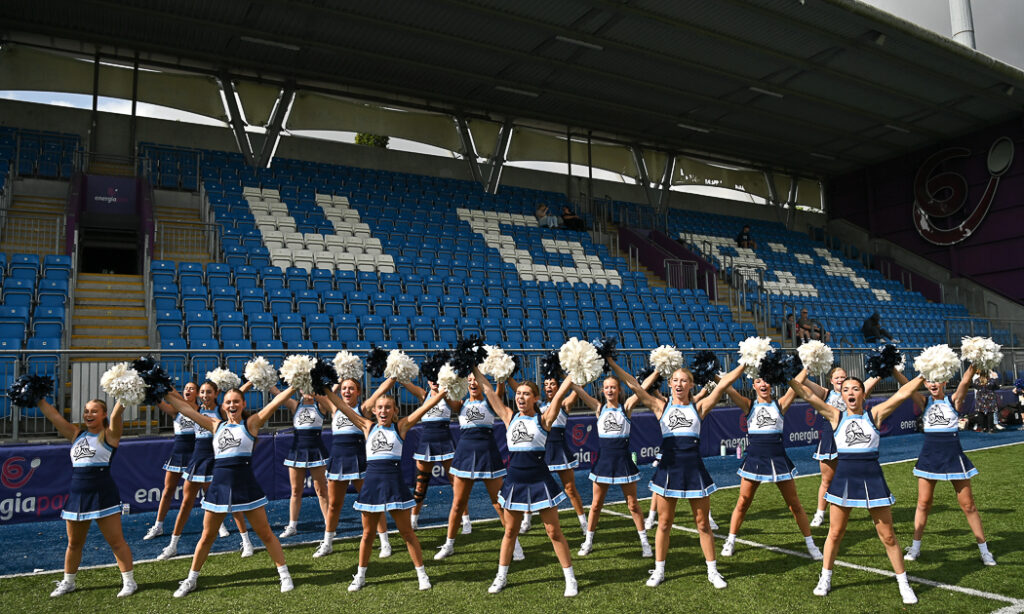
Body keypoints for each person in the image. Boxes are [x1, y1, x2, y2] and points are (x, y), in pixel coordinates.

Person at [607, 358, 746, 589]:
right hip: (668, 471)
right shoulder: (660, 407)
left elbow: (723, 385)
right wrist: (611, 362)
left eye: (684, 381)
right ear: (669, 384)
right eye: (675, 380)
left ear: (691, 385)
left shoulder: (699, 407)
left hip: (694, 470)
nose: (679, 384)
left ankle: (712, 571)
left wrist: (745, 363)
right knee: (664, 523)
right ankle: (659, 570)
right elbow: (634, 386)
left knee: (703, 524)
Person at [789, 372, 921, 604]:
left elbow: (903, 394)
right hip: (844, 480)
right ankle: (825, 577)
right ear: (841, 395)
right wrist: (787, 377)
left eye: (856, 389)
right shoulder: (835, 416)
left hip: (873, 479)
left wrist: (925, 375)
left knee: (888, 536)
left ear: (863, 394)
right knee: (835, 533)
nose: (850, 392)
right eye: (846, 389)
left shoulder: (875, 414)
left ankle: (903, 583)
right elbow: (807, 394)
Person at [165, 385, 296, 597]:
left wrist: (296, 384)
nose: (232, 405)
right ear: (223, 406)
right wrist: (162, 390)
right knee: (207, 536)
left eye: (236, 401)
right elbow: (185, 409)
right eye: (228, 402)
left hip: (246, 485)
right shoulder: (215, 425)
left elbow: (275, 403)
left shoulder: (251, 424)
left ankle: (285, 575)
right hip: (219, 486)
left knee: (265, 533)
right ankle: (191, 579)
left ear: (243, 404)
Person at [320, 386, 447, 592]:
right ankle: (360, 576)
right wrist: (326, 389)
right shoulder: (367, 426)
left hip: (394, 484)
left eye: (388, 407)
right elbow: (342, 407)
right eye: (379, 407)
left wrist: (441, 394)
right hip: (371, 484)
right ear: (374, 410)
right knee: (367, 534)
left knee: (407, 533)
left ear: (395, 411)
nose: (383, 411)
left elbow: (423, 409)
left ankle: (422, 574)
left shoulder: (401, 427)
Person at [472, 367, 579, 597]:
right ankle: (501, 576)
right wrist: (473, 367)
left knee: (554, 532)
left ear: (536, 398)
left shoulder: (544, 419)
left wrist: (575, 369)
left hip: (540, 480)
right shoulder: (508, 417)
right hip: (515, 481)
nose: (521, 397)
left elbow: (560, 394)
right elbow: (488, 390)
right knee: (510, 531)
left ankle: (570, 578)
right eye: (518, 393)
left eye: (526, 394)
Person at [718, 370, 822, 560]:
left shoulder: (780, 404)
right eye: (758, 381)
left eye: (766, 380)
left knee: (795, 505)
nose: (763, 384)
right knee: (743, 502)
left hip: (778, 460)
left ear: (771, 385)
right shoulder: (748, 405)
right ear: (754, 386)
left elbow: (795, 385)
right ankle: (730, 541)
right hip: (755, 460)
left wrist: (808, 365)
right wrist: (714, 376)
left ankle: (810, 543)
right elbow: (728, 389)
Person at [899, 367, 995, 565]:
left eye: (937, 380)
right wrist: (893, 368)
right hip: (930, 458)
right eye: (929, 381)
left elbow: (964, 382)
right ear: (924, 382)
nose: (933, 384)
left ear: (944, 382)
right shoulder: (924, 402)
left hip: (953, 457)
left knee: (968, 505)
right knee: (923, 503)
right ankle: (915, 548)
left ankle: (984, 551)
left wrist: (973, 363)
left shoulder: (953, 401)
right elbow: (906, 386)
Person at [41, 397, 136, 598]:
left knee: (116, 542)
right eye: (86, 411)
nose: (88, 415)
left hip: (102, 493)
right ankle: (68, 582)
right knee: (74, 544)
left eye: (94, 411)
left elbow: (116, 415)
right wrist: (38, 399)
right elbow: (54, 417)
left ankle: (129, 582)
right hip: (78, 494)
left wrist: (125, 394)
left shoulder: (109, 435)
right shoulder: (76, 434)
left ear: (103, 414)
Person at [158, 379, 253, 560]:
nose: (204, 395)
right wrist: (160, 387)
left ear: (217, 393)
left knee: (231, 503)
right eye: (202, 392)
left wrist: (251, 381)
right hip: (197, 460)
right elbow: (177, 399)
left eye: (209, 392)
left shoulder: (221, 411)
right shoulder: (195, 409)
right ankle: (173, 545)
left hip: (215, 460)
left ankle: (247, 542)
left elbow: (236, 395)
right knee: (186, 503)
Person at [434, 373, 516, 561]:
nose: (473, 383)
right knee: (458, 503)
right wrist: (444, 381)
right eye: (469, 380)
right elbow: (446, 397)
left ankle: (515, 544)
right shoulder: (460, 404)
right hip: (464, 455)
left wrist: (500, 373)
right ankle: (449, 544)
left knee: (499, 503)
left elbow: (499, 390)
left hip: (488, 454)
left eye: (476, 380)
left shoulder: (490, 402)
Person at [315, 376, 395, 558]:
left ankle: (385, 542)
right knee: (334, 505)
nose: (347, 391)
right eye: (344, 388)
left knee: (372, 503)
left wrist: (394, 376)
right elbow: (316, 392)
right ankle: (327, 543)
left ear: (358, 392)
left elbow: (380, 390)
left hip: (359, 460)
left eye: (351, 388)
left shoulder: (363, 409)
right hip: (338, 460)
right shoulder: (335, 408)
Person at [572, 375, 651, 558]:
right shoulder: (599, 408)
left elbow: (641, 388)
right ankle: (588, 541)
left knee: (633, 505)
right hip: (604, 462)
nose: (609, 390)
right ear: (602, 390)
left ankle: (645, 542)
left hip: (623, 461)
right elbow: (578, 390)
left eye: (613, 387)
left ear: (619, 390)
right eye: (606, 387)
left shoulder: (626, 407)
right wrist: (566, 374)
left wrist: (657, 369)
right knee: (596, 505)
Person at [801, 367, 882, 527]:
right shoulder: (825, 393)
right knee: (827, 480)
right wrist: (808, 366)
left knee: (862, 477)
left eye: (843, 377)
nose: (840, 380)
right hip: (830, 441)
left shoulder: (856, 392)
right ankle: (819, 514)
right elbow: (804, 382)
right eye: (836, 377)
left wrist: (885, 366)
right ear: (831, 380)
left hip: (851, 442)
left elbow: (875, 377)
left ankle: (876, 513)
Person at [507, 374, 586, 535]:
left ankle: (584, 522)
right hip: (540, 450)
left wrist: (572, 374)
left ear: (558, 386)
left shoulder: (563, 403)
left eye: (552, 384)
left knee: (570, 488)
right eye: (546, 384)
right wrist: (506, 374)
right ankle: (527, 520)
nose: (549, 386)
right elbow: (519, 390)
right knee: (530, 483)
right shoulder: (537, 406)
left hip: (559, 450)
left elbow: (578, 389)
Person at [400, 378, 462, 530]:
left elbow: (457, 408)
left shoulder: (448, 395)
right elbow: (406, 383)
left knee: (456, 483)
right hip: (426, 442)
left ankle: (465, 519)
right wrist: (395, 371)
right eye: (431, 378)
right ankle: (413, 519)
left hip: (445, 441)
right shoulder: (424, 395)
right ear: (427, 381)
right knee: (421, 483)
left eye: (437, 377)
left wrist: (445, 392)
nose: (434, 381)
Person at [143, 381, 199, 541]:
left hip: (196, 452)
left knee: (206, 490)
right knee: (168, 491)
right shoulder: (177, 409)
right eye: (186, 388)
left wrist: (165, 386)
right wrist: (152, 393)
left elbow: (176, 397)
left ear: (197, 393)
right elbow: (163, 404)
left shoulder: (199, 409)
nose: (188, 390)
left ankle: (219, 524)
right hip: (178, 452)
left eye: (192, 388)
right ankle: (158, 526)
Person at [274, 387, 330, 543]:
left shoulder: (321, 405)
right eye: (303, 387)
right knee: (295, 491)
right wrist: (260, 378)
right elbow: (278, 395)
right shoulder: (295, 405)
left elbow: (332, 396)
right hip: (297, 451)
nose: (307, 390)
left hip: (316, 451)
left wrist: (316, 392)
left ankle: (329, 525)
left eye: (310, 386)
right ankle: (292, 525)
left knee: (321, 490)